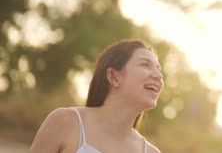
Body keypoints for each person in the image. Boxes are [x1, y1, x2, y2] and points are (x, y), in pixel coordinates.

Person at [30, 39, 163, 153]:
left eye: (158, 69)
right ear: (114, 77)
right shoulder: (65, 122)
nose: (158, 76)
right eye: (145, 64)